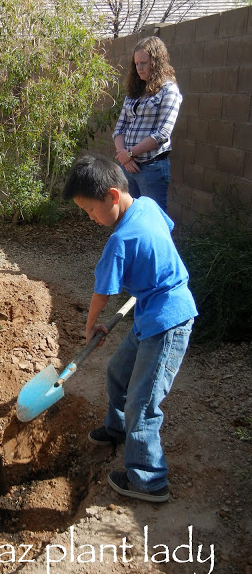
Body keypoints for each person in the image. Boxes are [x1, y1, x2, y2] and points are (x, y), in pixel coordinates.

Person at [63, 153, 197, 503]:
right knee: (118, 373)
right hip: (149, 311)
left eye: (91, 211)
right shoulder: (148, 205)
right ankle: (117, 429)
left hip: (167, 321)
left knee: (143, 401)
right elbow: (166, 230)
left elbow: (102, 294)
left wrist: (90, 328)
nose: (91, 219)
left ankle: (149, 480)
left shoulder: (119, 241)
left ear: (111, 195)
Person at [113, 36, 182, 213]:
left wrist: (129, 153)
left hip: (151, 169)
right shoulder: (134, 92)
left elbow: (162, 133)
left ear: (157, 62)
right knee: (128, 218)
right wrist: (123, 156)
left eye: (144, 62)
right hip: (127, 167)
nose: (139, 68)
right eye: (136, 64)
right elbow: (119, 128)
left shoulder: (169, 91)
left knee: (154, 220)